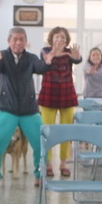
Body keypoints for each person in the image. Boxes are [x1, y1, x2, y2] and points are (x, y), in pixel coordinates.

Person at [0, 27, 59, 189]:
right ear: (9, 41)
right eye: (15, 39)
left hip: (28, 110)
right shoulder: (2, 56)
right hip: (6, 108)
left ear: (25, 41)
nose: (18, 42)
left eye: (21, 39)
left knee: (40, 142)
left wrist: (48, 62)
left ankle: (39, 175)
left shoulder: (31, 58)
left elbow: (40, 68)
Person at [38, 27, 82, 177]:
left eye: (63, 37)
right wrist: (52, 57)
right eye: (57, 37)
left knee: (66, 131)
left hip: (67, 95)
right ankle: (48, 163)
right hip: (48, 94)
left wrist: (77, 58)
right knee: (47, 130)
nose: (60, 40)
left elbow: (78, 59)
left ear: (67, 40)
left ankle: (63, 162)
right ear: (51, 39)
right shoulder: (45, 50)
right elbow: (42, 65)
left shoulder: (70, 52)